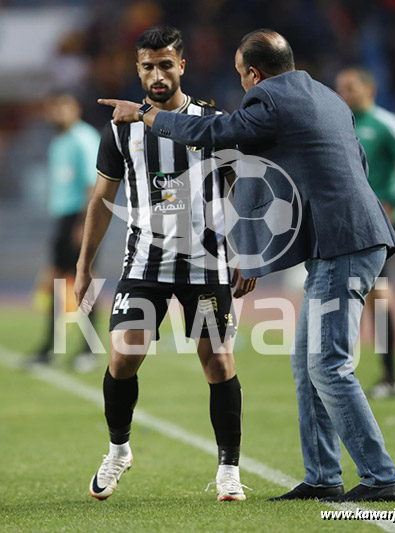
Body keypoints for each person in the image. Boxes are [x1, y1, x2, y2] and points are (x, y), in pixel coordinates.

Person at [100, 28, 395, 503]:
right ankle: (323, 476)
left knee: (328, 365)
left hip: (344, 244)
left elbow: (213, 133)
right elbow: (353, 164)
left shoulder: (268, 101)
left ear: (253, 73)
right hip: (345, 238)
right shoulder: (325, 96)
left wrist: (145, 114)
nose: (244, 86)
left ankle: (381, 478)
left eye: (243, 76)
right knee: (308, 365)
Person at [74, 26, 256, 503]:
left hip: (207, 264)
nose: (157, 74)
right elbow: (101, 200)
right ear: (138, 70)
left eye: (166, 64)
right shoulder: (119, 127)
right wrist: (83, 265)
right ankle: (119, 450)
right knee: (124, 354)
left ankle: (229, 470)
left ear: (182, 65)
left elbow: (246, 188)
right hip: (145, 263)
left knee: (218, 363)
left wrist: (248, 248)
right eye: (148, 66)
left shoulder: (212, 121)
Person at [336, 67, 395, 399]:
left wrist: (392, 200)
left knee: (375, 295)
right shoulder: (343, 124)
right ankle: (372, 375)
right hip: (349, 220)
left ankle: (388, 375)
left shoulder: (384, 123)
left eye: (350, 88)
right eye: (340, 89)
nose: (344, 94)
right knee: (363, 293)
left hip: (379, 222)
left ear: (369, 88)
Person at [31, 93, 100, 373]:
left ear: (75, 108)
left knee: (83, 283)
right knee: (56, 284)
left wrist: (83, 225)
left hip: (78, 218)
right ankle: (50, 347)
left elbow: (93, 184)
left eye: (64, 106)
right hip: (63, 218)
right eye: (54, 107)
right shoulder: (59, 142)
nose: (58, 112)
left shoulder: (84, 138)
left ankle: (88, 349)